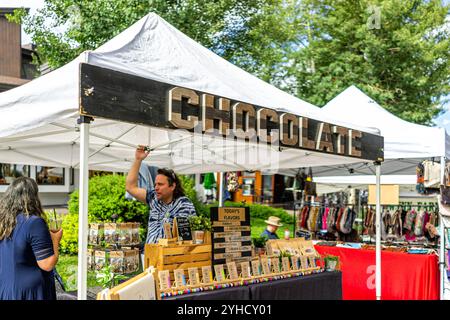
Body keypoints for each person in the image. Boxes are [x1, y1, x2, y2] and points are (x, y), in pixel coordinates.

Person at [0, 177, 63, 300]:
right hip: (30, 293)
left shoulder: (4, 221)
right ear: (32, 197)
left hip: (6, 288)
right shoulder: (34, 223)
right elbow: (47, 264)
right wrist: (55, 240)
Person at [126, 146, 197, 244]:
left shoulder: (183, 204)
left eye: (160, 184)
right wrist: (138, 160)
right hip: (151, 255)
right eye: (155, 184)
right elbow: (130, 187)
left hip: (170, 257)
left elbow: (187, 239)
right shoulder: (153, 198)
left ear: (172, 186)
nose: (156, 187)